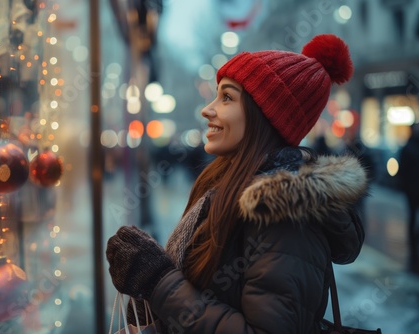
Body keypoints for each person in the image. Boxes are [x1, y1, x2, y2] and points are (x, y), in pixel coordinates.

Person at [106, 34, 367, 333]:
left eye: (227, 97)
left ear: (266, 117)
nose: (208, 109)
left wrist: (160, 283)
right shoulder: (225, 185)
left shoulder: (285, 215)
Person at [397, 124, 419, 271]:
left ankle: (417, 236)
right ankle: (413, 240)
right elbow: (403, 169)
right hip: (413, 189)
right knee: (412, 215)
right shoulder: (408, 147)